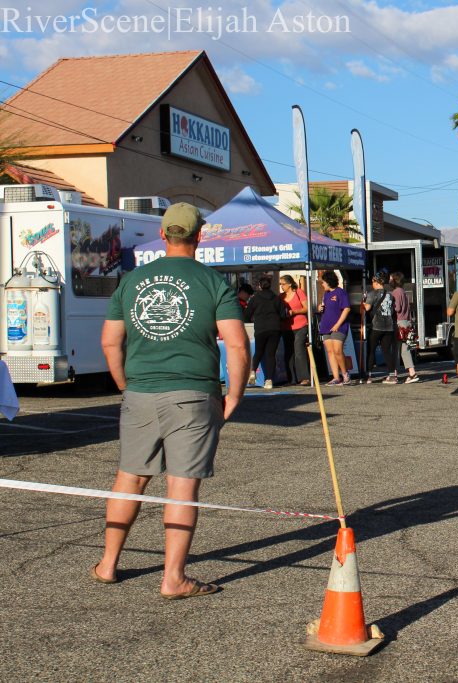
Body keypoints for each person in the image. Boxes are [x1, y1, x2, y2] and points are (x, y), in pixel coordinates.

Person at [95, 202, 249, 598]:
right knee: (182, 487)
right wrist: (234, 393)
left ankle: (108, 564)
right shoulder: (214, 283)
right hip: (193, 393)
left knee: (130, 478)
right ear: (200, 236)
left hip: (141, 391)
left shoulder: (131, 281)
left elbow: (110, 341)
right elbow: (237, 344)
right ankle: (173, 578)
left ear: (164, 235)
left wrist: (124, 384)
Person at [244, 276, 288, 389]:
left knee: (258, 352)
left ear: (259, 285)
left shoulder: (255, 298)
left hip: (260, 328)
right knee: (270, 354)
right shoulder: (277, 298)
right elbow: (283, 315)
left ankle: (253, 371)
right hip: (274, 328)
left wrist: (252, 319)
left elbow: (247, 314)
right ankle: (269, 380)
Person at [318, 270, 353, 386]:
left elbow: (346, 309)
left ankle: (345, 374)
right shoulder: (326, 294)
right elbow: (325, 307)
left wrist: (338, 324)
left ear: (328, 281)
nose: (322, 284)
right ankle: (335, 377)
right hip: (326, 325)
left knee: (338, 350)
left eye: (323, 282)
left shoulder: (340, 292)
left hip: (339, 326)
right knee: (330, 351)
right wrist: (320, 308)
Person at [363, 273, 398, 384]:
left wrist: (363, 302)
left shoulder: (372, 294)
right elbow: (393, 310)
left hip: (376, 326)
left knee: (371, 350)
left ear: (376, 282)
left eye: (373, 282)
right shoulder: (390, 295)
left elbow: (367, 308)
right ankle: (392, 375)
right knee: (387, 351)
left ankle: (369, 376)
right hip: (389, 326)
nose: (372, 284)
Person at [279, 274, 310, 386]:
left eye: (283, 284)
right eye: (280, 284)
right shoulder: (280, 296)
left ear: (290, 284)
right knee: (289, 352)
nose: (281, 286)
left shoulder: (299, 292)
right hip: (286, 327)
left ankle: (304, 377)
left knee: (299, 350)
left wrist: (294, 312)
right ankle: (291, 379)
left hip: (301, 325)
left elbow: (306, 308)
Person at [390, 272, 420, 383]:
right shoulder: (404, 292)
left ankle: (394, 374)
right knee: (404, 350)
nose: (389, 281)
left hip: (399, 323)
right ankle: (412, 373)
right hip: (407, 322)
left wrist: (389, 305)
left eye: (391, 279)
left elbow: (397, 308)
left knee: (396, 350)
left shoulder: (395, 292)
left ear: (394, 280)